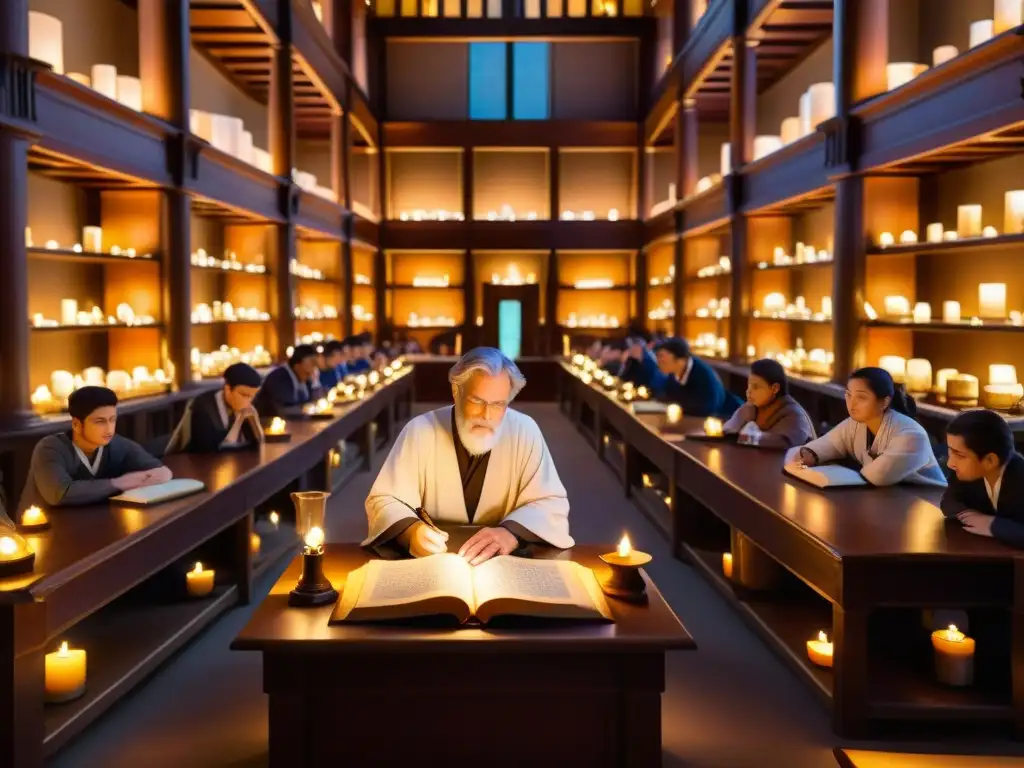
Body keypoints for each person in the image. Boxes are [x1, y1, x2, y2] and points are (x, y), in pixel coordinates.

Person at [363, 347, 572, 565]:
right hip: (433, 562)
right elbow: (384, 499)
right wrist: (411, 531)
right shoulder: (420, 430)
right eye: (477, 401)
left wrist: (511, 534)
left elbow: (551, 503)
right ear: (456, 391)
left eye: (498, 404)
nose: (486, 415)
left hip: (505, 563)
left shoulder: (525, 431)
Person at [784, 367, 946, 487]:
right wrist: (810, 454)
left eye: (861, 397)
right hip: (888, 498)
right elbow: (832, 443)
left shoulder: (911, 434)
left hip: (925, 501)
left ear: (885, 401)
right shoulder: (856, 423)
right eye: (848, 395)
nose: (851, 403)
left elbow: (879, 476)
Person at [18, 386, 172, 510]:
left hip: (90, 526)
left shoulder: (117, 444)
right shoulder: (50, 448)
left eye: (113, 420)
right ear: (77, 425)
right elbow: (59, 493)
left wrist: (158, 474)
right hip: (42, 533)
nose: (109, 429)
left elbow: (161, 471)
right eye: (100, 421)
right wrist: (117, 483)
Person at [942, 409, 1024, 545]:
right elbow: (949, 500)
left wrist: (992, 524)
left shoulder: (1019, 478)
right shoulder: (968, 473)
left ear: (990, 461)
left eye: (959, 455)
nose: (950, 464)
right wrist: (969, 515)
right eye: (951, 453)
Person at [627, 337, 742, 417]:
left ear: (681, 359)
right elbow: (666, 395)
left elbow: (708, 406)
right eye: (657, 357)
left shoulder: (703, 375)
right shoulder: (673, 374)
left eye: (662, 356)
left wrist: (676, 406)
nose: (659, 361)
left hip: (727, 417)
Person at [165, 363, 264, 454]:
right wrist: (239, 420)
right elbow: (214, 451)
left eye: (252, 396)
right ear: (228, 389)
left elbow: (259, 443)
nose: (249, 401)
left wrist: (254, 420)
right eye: (244, 395)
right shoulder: (204, 407)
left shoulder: (244, 405)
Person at [723, 358, 817, 449]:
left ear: (775, 388)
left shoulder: (795, 416)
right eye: (749, 386)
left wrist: (749, 437)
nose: (749, 391)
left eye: (756, 387)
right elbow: (729, 429)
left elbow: (785, 443)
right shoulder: (752, 407)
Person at [254, 344, 323, 417]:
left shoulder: (306, 377)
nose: (314, 368)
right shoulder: (279, 377)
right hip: (270, 422)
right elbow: (283, 410)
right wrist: (307, 409)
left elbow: (313, 401)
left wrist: (315, 383)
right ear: (297, 364)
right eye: (312, 363)